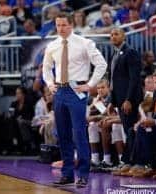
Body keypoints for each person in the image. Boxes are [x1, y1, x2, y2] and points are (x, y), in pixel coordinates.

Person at [42, 12, 107, 187]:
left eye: (64, 25)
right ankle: (67, 174)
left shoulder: (84, 43)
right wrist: (49, 84)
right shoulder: (52, 45)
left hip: (77, 90)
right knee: (62, 135)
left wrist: (91, 84)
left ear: (71, 25)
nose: (60, 28)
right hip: (59, 92)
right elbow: (46, 68)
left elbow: (102, 64)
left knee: (79, 133)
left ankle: (84, 174)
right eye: (58, 25)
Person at [107, 28, 143, 175]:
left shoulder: (131, 52)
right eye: (111, 35)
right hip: (120, 99)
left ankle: (134, 162)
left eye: (116, 34)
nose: (113, 37)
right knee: (128, 131)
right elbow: (114, 81)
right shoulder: (114, 54)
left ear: (124, 36)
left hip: (130, 100)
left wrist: (128, 99)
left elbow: (134, 79)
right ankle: (129, 162)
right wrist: (112, 101)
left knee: (131, 131)